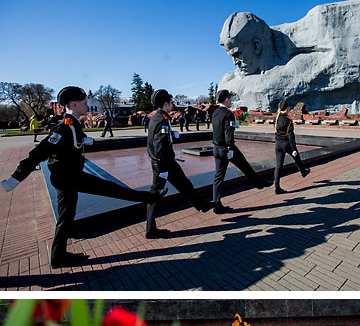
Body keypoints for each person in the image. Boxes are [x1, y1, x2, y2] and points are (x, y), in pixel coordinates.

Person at [9, 86, 144, 268]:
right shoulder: (64, 126)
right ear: (74, 103)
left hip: (69, 175)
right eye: (85, 103)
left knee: (67, 216)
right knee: (109, 189)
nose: (88, 107)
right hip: (68, 177)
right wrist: (16, 177)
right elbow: (41, 151)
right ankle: (149, 197)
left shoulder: (72, 124)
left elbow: (73, 141)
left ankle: (58, 256)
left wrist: (84, 140)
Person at [145, 90, 209, 239]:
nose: (173, 105)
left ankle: (201, 205)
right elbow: (159, 146)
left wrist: (170, 135)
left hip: (166, 162)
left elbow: (157, 140)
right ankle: (150, 229)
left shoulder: (158, 117)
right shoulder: (161, 120)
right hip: (163, 164)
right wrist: (162, 168)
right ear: (165, 103)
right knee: (155, 194)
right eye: (172, 102)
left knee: (184, 184)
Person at [211, 90, 260, 214]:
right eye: (230, 99)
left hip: (216, 148)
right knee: (244, 165)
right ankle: (259, 183)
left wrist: (234, 125)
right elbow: (228, 133)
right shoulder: (229, 114)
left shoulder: (215, 113)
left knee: (218, 177)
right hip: (227, 148)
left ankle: (217, 204)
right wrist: (229, 148)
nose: (231, 101)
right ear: (226, 99)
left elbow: (219, 130)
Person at [273, 101, 310, 194]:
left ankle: (277, 187)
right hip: (286, 144)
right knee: (296, 157)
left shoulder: (276, 119)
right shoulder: (288, 120)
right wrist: (293, 149)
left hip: (278, 144)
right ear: (287, 109)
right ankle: (303, 171)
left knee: (278, 166)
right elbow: (291, 136)